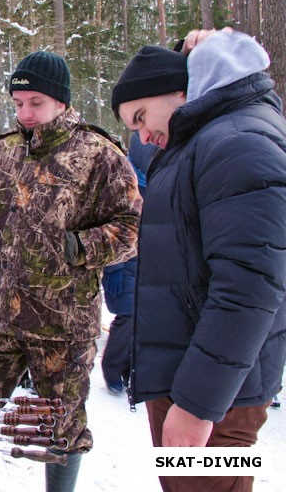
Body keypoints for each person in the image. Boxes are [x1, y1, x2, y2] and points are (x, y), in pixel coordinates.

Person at [0, 50, 141, 492]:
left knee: (60, 427)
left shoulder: (98, 154)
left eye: (35, 102)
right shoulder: (2, 152)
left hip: (62, 324)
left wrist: (77, 246)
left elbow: (132, 229)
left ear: (60, 100)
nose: (25, 113)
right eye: (18, 103)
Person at [111, 30, 286, 492]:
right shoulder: (206, 137)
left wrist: (195, 406)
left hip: (215, 396)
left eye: (142, 116)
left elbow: (249, 286)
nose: (144, 135)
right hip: (196, 379)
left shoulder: (236, 142)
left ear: (180, 91)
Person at [101, 132, 156, 394]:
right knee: (128, 315)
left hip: (151, 259)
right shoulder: (123, 178)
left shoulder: (158, 178)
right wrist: (112, 268)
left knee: (145, 318)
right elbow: (112, 227)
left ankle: (132, 371)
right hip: (126, 261)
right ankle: (113, 370)